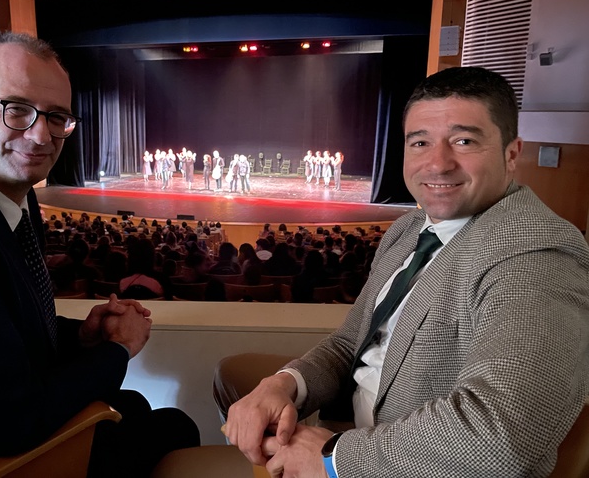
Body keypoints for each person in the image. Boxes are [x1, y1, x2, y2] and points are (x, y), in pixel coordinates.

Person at [217, 66, 589, 477]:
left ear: (512, 153)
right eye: (420, 142)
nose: (437, 163)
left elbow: (501, 434)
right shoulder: (410, 227)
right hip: (348, 429)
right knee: (234, 383)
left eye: (464, 141)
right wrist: (285, 383)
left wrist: (333, 458)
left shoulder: (536, 255)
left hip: (394, 462)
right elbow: (349, 344)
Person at [0, 32, 199, 476]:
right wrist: (118, 350)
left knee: (136, 405)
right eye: (17, 109)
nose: (42, 134)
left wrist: (80, 337)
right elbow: (10, 422)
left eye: (57, 117)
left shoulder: (5, 197)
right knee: (175, 426)